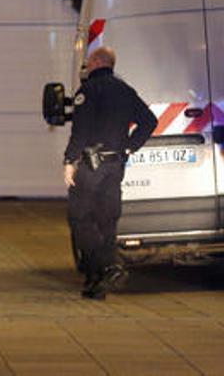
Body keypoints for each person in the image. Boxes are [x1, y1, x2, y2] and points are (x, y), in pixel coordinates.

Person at [63, 46, 157, 300]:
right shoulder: (125, 90)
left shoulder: (88, 91)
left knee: (80, 219)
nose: (86, 65)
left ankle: (110, 266)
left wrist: (69, 160)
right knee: (106, 221)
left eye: (88, 61)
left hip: (91, 165)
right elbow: (150, 121)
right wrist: (129, 147)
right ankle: (96, 282)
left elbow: (80, 132)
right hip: (116, 165)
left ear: (96, 62)